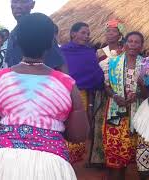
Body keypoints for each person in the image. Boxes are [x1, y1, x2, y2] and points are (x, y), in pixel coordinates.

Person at [0, 13, 89, 180]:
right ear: (51, 43)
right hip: (51, 166)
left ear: (17, 42)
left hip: (0, 163)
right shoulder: (66, 84)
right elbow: (78, 135)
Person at [102, 31, 144, 180]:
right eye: (130, 41)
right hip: (115, 114)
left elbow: (147, 92)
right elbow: (106, 86)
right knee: (115, 155)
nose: (133, 44)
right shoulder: (112, 63)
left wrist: (137, 94)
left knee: (131, 154)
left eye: (136, 42)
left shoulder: (145, 65)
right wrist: (115, 96)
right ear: (125, 43)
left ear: (141, 46)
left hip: (136, 115)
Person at [60, 22, 104, 163]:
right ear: (73, 33)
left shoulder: (89, 52)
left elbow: (96, 75)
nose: (86, 36)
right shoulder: (61, 51)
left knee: (75, 127)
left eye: (88, 34)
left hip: (81, 96)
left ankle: (70, 163)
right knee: (60, 126)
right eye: (83, 32)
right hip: (61, 95)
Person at [88, 19, 124, 168]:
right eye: (108, 31)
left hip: (119, 93)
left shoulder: (124, 52)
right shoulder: (99, 52)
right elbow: (94, 73)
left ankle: (114, 156)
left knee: (115, 123)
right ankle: (98, 158)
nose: (110, 34)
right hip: (102, 92)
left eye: (113, 31)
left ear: (120, 35)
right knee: (99, 123)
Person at [6, 0, 67, 73]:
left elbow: (60, 66)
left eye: (23, 2)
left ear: (32, 4)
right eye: (15, 2)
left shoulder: (40, 31)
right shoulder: (12, 34)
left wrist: (67, 82)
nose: (18, 6)